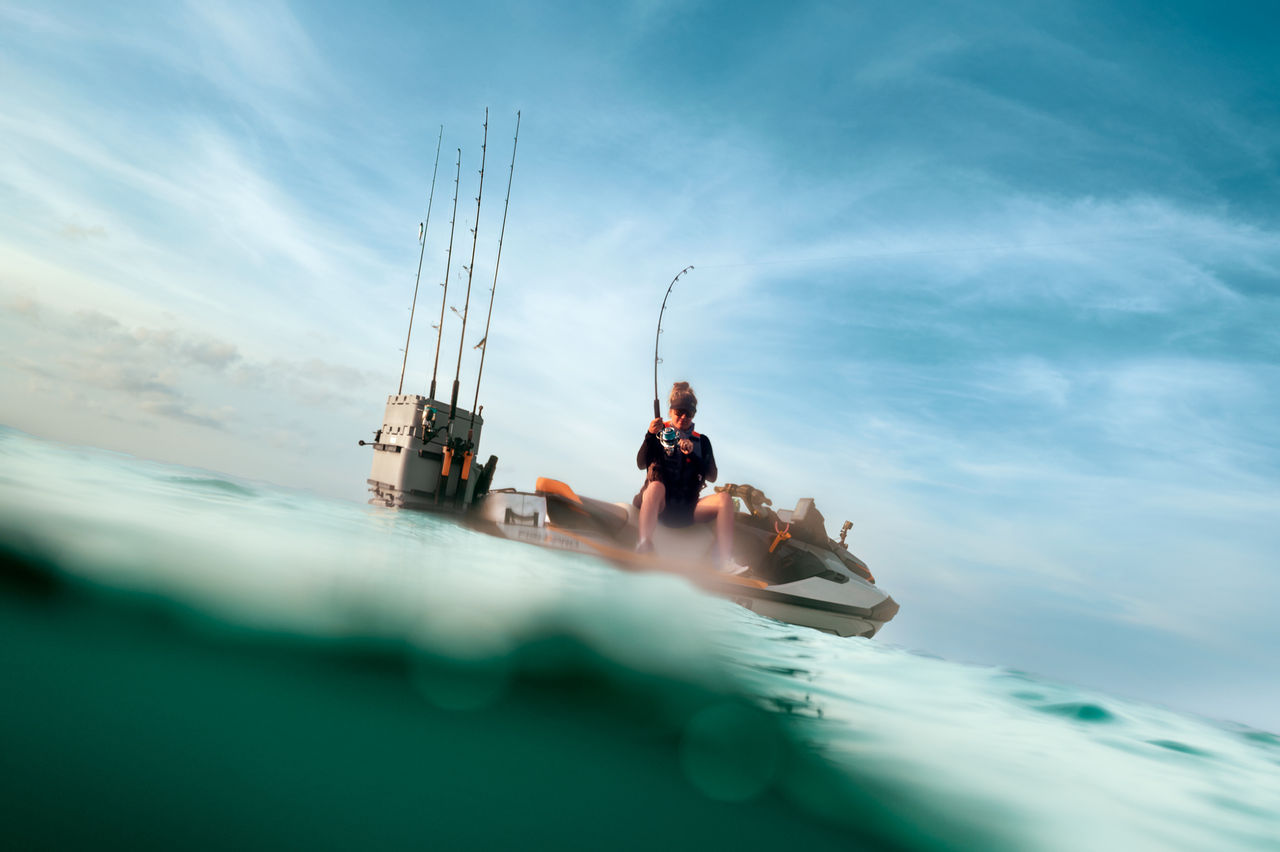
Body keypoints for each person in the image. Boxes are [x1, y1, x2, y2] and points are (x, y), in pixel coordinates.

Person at [635, 382, 745, 573]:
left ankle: (723, 561)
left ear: (694, 414)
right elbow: (641, 463)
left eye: (689, 413)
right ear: (670, 411)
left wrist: (693, 455)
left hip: (687, 510)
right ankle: (644, 544)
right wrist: (649, 435)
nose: (683, 417)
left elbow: (712, 476)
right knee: (655, 487)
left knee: (724, 499)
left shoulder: (702, 441)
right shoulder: (658, 432)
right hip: (660, 506)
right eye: (679, 412)